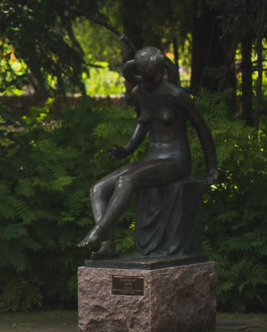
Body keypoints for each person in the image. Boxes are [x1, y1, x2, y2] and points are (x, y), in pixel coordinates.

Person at [77, 46, 219, 259]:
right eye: (153, 74)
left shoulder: (176, 95)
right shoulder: (138, 93)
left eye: (159, 72)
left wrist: (212, 168)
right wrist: (126, 150)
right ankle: (108, 246)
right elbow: (142, 124)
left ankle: (100, 230)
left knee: (126, 181)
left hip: (175, 160)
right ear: (141, 74)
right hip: (152, 159)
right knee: (97, 189)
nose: (158, 77)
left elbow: (202, 128)